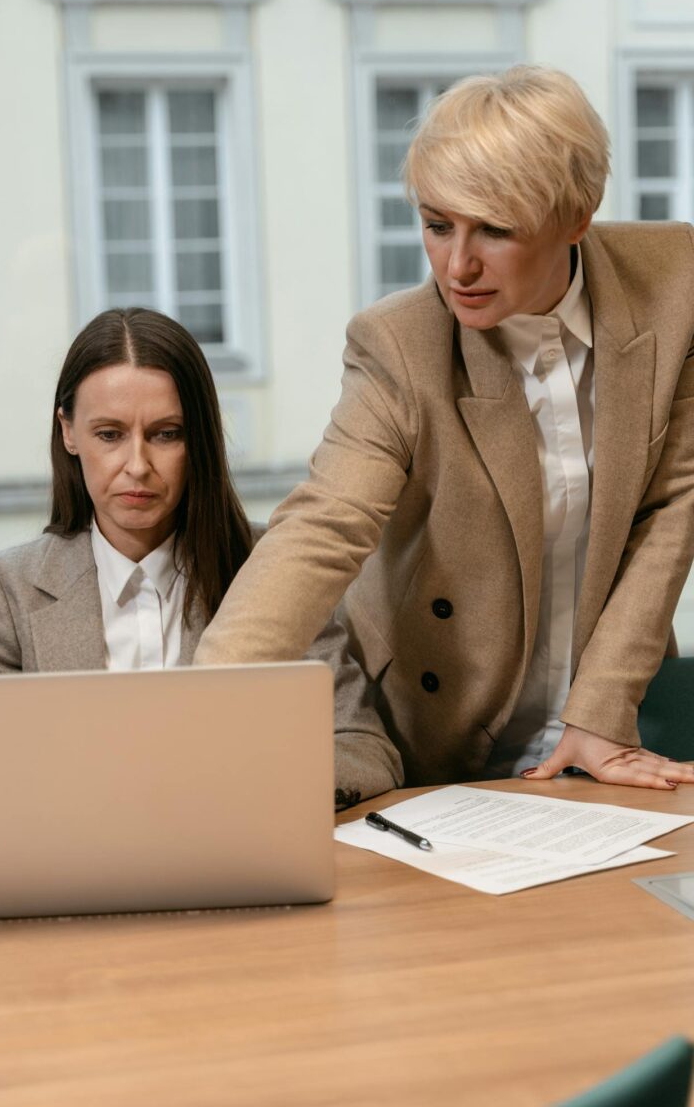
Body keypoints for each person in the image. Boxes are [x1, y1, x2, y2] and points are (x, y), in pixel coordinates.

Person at [194, 64, 694, 792]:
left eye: (495, 230)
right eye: (437, 225)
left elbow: (674, 503)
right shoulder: (398, 343)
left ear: (576, 216)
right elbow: (321, 527)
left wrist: (602, 704)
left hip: (604, 729)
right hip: (430, 734)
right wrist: (194, 705)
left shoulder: (674, 283)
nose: (457, 266)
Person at [0, 307, 403, 806]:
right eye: (109, 434)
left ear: (198, 439)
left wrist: (245, 784)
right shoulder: (9, 586)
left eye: (165, 434)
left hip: (238, 857)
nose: (137, 465)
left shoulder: (276, 568)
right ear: (68, 432)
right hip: (76, 869)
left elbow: (365, 750)